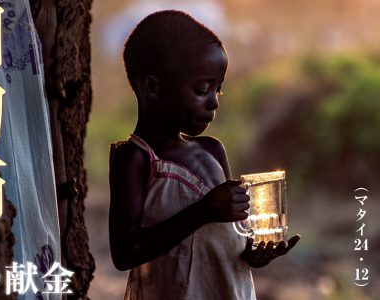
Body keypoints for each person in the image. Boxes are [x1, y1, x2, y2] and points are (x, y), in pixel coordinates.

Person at [109, 10, 300, 300]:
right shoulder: (137, 160)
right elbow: (125, 252)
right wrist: (203, 211)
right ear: (152, 87)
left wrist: (255, 252)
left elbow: (225, 240)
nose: (213, 102)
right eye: (202, 89)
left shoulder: (212, 150)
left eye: (218, 90)